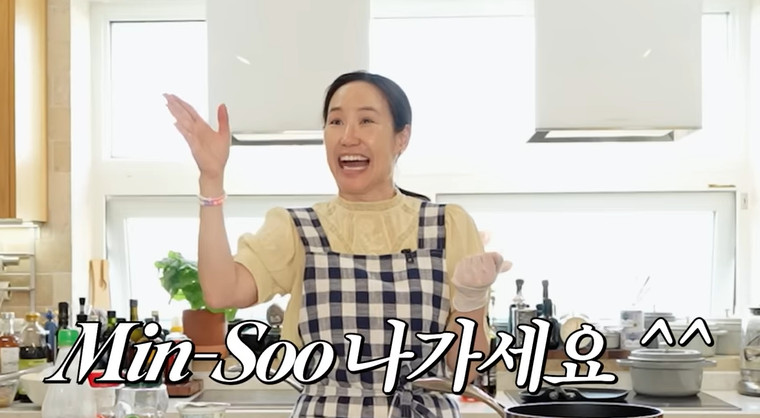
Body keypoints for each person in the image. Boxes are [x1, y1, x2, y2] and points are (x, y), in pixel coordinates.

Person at [164, 71, 511, 418]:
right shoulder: (297, 229)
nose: (348, 137)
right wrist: (211, 179)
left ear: (401, 138)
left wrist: (471, 299)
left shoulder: (447, 226)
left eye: (366, 121)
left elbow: (465, 370)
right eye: (336, 121)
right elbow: (221, 292)